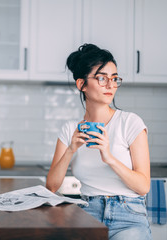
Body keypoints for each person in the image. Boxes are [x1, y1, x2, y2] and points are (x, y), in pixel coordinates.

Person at [46, 43, 151, 240]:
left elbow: (143, 186)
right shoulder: (70, 130)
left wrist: (109, 157)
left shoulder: (130, 123)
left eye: (114, 78)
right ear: (81, 84)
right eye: (102, 78)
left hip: (128, 216)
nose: (111, 85)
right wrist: (71, 149)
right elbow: (51, 187)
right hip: (87, 214)